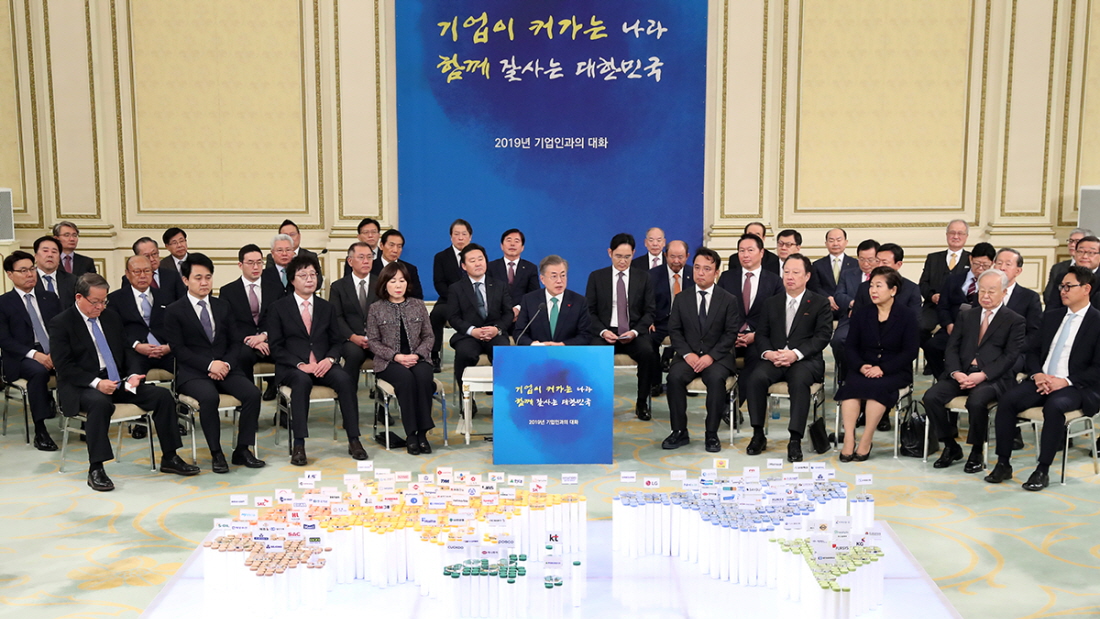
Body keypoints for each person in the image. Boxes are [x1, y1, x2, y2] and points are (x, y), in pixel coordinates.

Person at [49, 273, 199, 491]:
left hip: (116, 381)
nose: (100, 307)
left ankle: (170, 457)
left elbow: (127, 351)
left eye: (104, 301)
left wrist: (133, 375)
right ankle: (96, 469)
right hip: (82, 385)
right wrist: (96, 383)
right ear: (79, 297)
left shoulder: (110, 317)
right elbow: (64, 366)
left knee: (162, 396)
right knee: (100, 403)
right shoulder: (61, 323)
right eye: (95, 302)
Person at [989, 266, 1100, 491]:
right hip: (1042, 380)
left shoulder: (1097, 322)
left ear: (1086, 288)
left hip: (1076, 386)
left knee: (1055, 406)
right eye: (1061, 286)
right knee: (1008, 400)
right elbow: (1031, 351)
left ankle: (1042, 469)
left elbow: (1097, 368)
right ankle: (1003, 463)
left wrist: (1065, 381)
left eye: (1069, 286)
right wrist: (1037, 374)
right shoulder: (1052, 316)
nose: (1063, 291)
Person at [163, 254, 264, 473]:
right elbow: (179, 350)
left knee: (252, 394)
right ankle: (216, 452)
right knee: (209, 397)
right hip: (194, 372)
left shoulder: (222, 306)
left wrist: (225, 364)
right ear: (185, 280)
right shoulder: (174, 310)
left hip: (226, 368)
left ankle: (243, 449)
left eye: (208, 277)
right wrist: (210, 366)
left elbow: (235, 341)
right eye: (198, 277)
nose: (204, 282)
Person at [922, 269, 1026, 472]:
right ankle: (951, 446)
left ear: (1004, 292)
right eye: (982, 291)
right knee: (931, 397)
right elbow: (952, 347)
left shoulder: (1014, 320)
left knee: (976, 401)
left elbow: (1010, 357)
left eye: (991, 292)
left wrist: (983, 375)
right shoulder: (967, 315)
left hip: (993, 378)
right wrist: (956, 372)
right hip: (962, 373)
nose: (985, 296)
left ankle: (977, 450)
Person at [267, 254, 367, 465]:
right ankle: (299, 444)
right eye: (303, 275)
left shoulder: (326, 307)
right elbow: (276, 347)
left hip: (323, 365)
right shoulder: (278, 308)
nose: (309, 279)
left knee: (345, 380)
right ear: (292, 279)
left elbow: (337, 341)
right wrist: (301, 365)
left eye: (313, 274)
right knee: (301, 383)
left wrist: (330, 359)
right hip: (294, 367)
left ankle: (354, 439)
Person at [742, 254, 833, 462]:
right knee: (755, 378)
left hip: (805, 361)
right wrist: (769, 353)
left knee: (799, 381)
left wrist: (795, 354)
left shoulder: (819, 303)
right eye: (786, 272)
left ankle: (795, 439)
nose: (789, 277)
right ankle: (758, 434)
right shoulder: (771, 302)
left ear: (807, 276)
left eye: (795, 272)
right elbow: (762, 334)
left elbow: (822, 336)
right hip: (775, 358)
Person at [834, 267, 919, 461]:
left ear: (893, 290)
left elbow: (910, 351)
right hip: (864, 366)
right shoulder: (862, 313)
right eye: (871, 285)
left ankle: (866, 439)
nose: (873, 290)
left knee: (877, 389)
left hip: (894, 370)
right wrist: (860, 366)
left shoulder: (906, 315)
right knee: (852, 387)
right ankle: (849, 439)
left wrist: (883, 368)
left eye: (878, 286)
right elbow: (851, 346)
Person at [662, 247, 740, 453]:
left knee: (715, 380)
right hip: (688, 355)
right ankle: (679, 431)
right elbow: (675, 331)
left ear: (716, 273)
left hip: (718, 357)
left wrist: (710, 357)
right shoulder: (682, 298)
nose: (701, 273)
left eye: (707, 269)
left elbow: (730, 334)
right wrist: (688, 354)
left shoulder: (728, 299)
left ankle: (711, 433)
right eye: (697, 268)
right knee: (674, 378)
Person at [586, 233, 661, 420]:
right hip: (606, 331)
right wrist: (603, 332)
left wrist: (635, 332)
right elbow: (589, 312)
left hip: (633, 331)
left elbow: (650, 311)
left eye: (627, 257)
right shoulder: (597, 277)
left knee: (648, 353)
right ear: (609, 253)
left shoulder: (643, 278)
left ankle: (642, 402)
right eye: (618, 256)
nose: (623, 261)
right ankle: (598, 403)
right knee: (593, 353)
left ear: (634, 254)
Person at [366, 262, 437, 455]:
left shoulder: (418, 305)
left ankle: (423, 434)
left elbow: (429, 336)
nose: (398, 285)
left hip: (418, 358)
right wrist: (396, 356)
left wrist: (418, 354)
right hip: (388, 362)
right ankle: (411, 434)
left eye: (402, 280)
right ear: (384, 284)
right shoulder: (376, 308)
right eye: (393, 281)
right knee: (406, 380)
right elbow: (373, 341)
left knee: (423, 378)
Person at [0, 250, 61, 451]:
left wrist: (55, 352)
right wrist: (36, 355)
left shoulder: (49, 298)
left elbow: (61, 329)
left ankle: (85, 419)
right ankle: (41, 430)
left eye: (32, 269)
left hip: (52, 350)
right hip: (22, 356)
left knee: (81, 362)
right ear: (10, 274)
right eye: (23, 270)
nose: (30, 274)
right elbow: (5, 340)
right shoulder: (3, 303)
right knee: (38, 372)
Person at [717, 233, 784, 385]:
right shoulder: (726, 278)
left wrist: (756, 335)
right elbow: (718, 312)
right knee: (720, 360)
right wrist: (731, 335)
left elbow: (777, 316)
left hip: (758, 337)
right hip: (730, 337)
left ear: (761, 253)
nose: (745, 255)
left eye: (750, 250)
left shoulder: (774, 281)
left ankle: (736, 402)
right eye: (741, 250)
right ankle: (725, 400)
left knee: (755, 359)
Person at [923, 242, 996, 378]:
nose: (980, 269)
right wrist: (949, 324)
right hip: (953, 328)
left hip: (978, 333)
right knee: (931, 347)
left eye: (985, 265)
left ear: (992, 263)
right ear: (970, 259)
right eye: (976, 264)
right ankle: (944, 378)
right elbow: (943, 306)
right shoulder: (954, 280)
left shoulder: (994, 285)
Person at [448, 243, 512, 392]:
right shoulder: (456, 288)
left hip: (495, 333)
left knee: (503, 352)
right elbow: (453, 317)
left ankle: (501, 398)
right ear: (464, 266)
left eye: (480, 259)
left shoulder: (499, 285)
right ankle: (467, 401)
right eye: (472, 260)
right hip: (469, 335)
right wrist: (472, 331)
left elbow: (508, 313)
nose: (478, 263)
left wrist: (497, 329)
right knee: (465, 353)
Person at [220, 244, 283, 390]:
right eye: (251, 263)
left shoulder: (275, 288)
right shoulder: (228, 291)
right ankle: (248, 395)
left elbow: (279, 319)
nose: (256, 267)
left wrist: (264, 336)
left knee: (287, 353)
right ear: (240, 265)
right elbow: (228, 324)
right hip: (243, 342)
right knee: (242, 356)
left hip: (269, 340)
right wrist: (251, 340)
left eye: (259, 262)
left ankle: (281, 397)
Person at [106, 255, 173, 375]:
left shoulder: (165, 296)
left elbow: (176, 325)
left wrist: (169, 346)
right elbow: (114, 330)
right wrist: (136, 345)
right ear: (127, 274)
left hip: (165, 350)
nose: (142, 276)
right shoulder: (115, 299)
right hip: (135, 352)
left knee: (187, 370)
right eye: (137, 271)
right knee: (134, 376)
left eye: (147, 271)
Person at [515, 255, 591, 346]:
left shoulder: (579, 302)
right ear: (542, 279)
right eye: (554, 276)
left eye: (563, 275)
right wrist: (534, 345)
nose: (559, 281)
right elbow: (519, 333)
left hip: (568, 355)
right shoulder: (529, 300)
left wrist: (563, 345)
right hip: (538, 354)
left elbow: (586, 336)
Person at [330, 242, 377, 384]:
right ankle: (349, 396)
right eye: (361, 257)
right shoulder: (338, 286)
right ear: (350, 261)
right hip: (350, 339)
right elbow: (336, 317)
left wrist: (375, 337)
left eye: (369, 257)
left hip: (377, 338)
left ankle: (382, 397)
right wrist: (352, 337)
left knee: (388, 355)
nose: (366, 261)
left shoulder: (381, 283)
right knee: (354, 354)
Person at [430, 219, 474, 371]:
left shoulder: (477, 256)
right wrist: (456, 300)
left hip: (473, 301)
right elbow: (439, 283)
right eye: (456, 234)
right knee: (436, 314)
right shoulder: (441, 257)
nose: (460, 238)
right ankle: (434, 354)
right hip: (448, 301)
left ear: (470, 237)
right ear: (451, 237)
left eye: (464, 234)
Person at [919, 219, 971, 337]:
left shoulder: (971, 259)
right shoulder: (933, 258)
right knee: (920, 327)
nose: (956, 236)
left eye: (960, 233)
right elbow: (923, 283)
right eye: (952, 233)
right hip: (932, 308)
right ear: (947, 235)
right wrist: (932, 296)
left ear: (966, 236)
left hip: (958, 310)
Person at [487, 228, 540, 334]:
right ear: (501, 246)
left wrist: (518, 309)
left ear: (522, 247)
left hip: (521, 316)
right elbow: (488, 293)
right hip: (498, 316)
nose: (512, 244)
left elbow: (534, 294)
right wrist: (506, 312)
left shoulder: (530, 268)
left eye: (516, 241)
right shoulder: (491, 267)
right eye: (508, 240)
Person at [650, 240, 692, 361]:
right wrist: (648, 321)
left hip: (688, 324)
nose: (676, 261)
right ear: (665, 256)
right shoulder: (652, 276)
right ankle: (654, 378)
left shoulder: (695, 275)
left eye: (680, 257)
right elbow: (645, 303)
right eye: (672, 256)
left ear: (687, 256)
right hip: (660, 323)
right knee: (647, 343)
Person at [810, 228, 858, 320]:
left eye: (839, 240)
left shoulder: (855, 264)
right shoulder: (817, 264)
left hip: (848, 310)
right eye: (831, 240)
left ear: (846, 242)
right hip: (825, 309)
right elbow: (815, 287)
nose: (835, 243)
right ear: (826, 244)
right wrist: (827, 298)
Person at [995, 248, 1042, 338]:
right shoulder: (982, 294)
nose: (1002, 268)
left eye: (1008, 264)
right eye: (999, 263)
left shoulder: (1030, 297)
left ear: (1018, 271)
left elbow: (1034, 332)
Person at [1046, 235, 1100, 309]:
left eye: (1091, 252)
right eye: (1080, 251)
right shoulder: (1063, 277)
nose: (1084, 256)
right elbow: (1052, 306)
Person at [128, 237, 186, 302]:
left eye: (154, 254)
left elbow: (182, 301)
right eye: (147, 256)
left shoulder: (172, 275)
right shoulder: (130, 278)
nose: (152, 259)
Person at [1043, 228, 1090, 307]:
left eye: (1077, 241)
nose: (1072, 245)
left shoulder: (1092, 266)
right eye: (1070, 241)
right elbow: (1048, 295)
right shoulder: (1058, 268)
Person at [373, 229, 424, 299]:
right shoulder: (370, 267)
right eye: (391, 245)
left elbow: (417, 297)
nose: (395, 250)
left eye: (399, 246)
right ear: (381, 245)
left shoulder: (410, 269)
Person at [34, 235, 75, 308]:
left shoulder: (72, 280)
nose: (50, 255)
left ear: (59, 258)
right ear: (36, 256)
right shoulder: (29, 280)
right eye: (45, 251)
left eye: (54, 252)